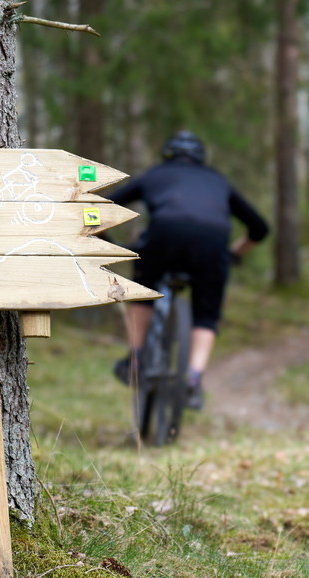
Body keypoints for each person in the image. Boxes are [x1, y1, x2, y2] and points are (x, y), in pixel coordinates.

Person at [107, 130, 269, 409]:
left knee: (143, 291)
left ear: (167, 155)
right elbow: (260, 228)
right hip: (212, 243)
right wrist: (233, 253)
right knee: (206, 313)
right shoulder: (218, 180)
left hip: (164, 235)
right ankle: (193, 379)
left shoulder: (155, 175)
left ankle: (136, 359)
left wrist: (107, 239)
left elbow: (102, 207)